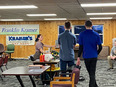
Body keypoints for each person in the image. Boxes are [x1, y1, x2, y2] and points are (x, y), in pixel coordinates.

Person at [76, 20, 102, 87]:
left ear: (85, 26)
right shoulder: (96, 34)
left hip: (86, 56)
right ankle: (95, 85)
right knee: (92, 73)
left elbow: (81, 47)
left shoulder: (81, 34)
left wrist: (78, 57)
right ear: (92, 25)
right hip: (94, 56)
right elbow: (100, 47)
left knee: (91, 73)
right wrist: (97, 53)